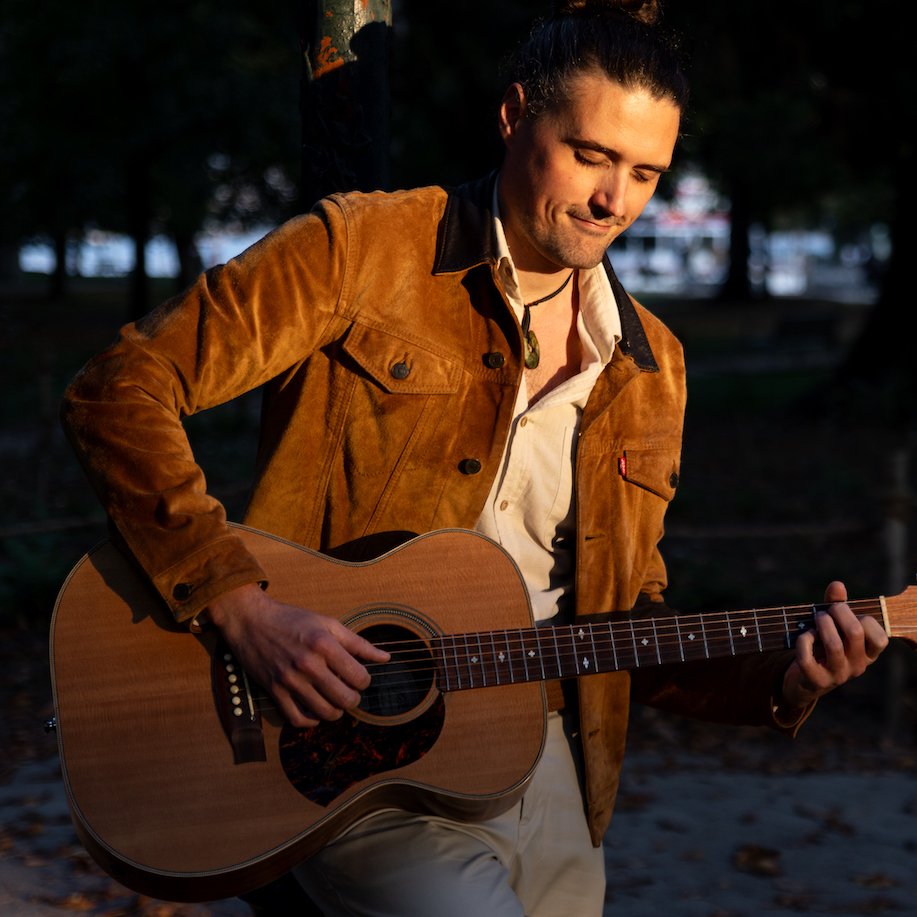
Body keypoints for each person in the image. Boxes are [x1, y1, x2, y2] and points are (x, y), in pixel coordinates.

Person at [60, 1, 888, 914]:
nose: (614, 200)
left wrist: (784, 677)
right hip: (352, 757)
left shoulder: (652, 364)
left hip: (556, 773)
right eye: (591, 155)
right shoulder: (365, 249)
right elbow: (119, 389)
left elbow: (627, 623)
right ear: (513, 115)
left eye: (645, 173)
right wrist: (240, 604)